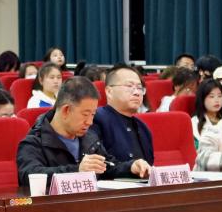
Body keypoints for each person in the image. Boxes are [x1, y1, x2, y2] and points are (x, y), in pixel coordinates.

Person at [16, 77, 147, 187]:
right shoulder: (34, 142)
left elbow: (108, 166)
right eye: (85, 114)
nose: (90, 122)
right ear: (66, 110)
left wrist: (131, 167)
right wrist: (77, 170)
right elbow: (30, 176)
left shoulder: (89, 138)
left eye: (93, 115)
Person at [91, 66, 155, 170]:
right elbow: (97, 164)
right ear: (109, 91)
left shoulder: (143, 127)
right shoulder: (96, 119)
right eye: (129, 86)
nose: (137, 93)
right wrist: (130, 168)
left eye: (140, 88)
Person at [192, 79, 222, 149]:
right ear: (202, 99)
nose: (217, 100)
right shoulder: (194, 121)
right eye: (211, 96)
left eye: (219, 96)